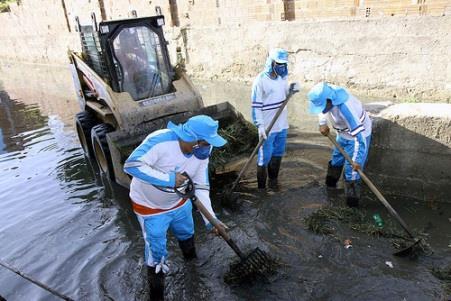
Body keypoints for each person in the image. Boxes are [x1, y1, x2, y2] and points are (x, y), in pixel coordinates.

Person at [123, 115, 228, 300]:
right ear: (190, 138)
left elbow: (201, 186)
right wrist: (169, 179)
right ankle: (157, 296)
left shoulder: (204, 152)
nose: (207, 148)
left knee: (187, 234)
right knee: (156, 255)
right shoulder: (161, 141)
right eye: (204, 143)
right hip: (150, 208)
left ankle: (192, 268)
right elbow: (131, 165)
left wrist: (212, 221)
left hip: (179, 202)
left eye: (209, 143)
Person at [307, 82, 372, 207]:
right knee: (336, 160)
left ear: (330, 101)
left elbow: (361, 139)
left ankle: (352, 207)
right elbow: (321, 109)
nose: (321, 109)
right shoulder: (326, 94)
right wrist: (322, 123)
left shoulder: (345, 109)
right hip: (342, 133)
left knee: (351, 172)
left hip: (357, 137)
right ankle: (330, 190)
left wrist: (357, 160)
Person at [251, 48, 292, 190]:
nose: (282, 67)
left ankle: (273, 182)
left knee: (278, 153)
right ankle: (262, 189)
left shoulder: (283, 77)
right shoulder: (260, 81)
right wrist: (260, 126)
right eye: (279, 64)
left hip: (282, 124)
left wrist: (292, 90)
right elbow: (256, 106)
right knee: (264, 157)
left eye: (284, 64)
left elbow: (285, 94)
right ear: (271, 63)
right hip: (267, 127)